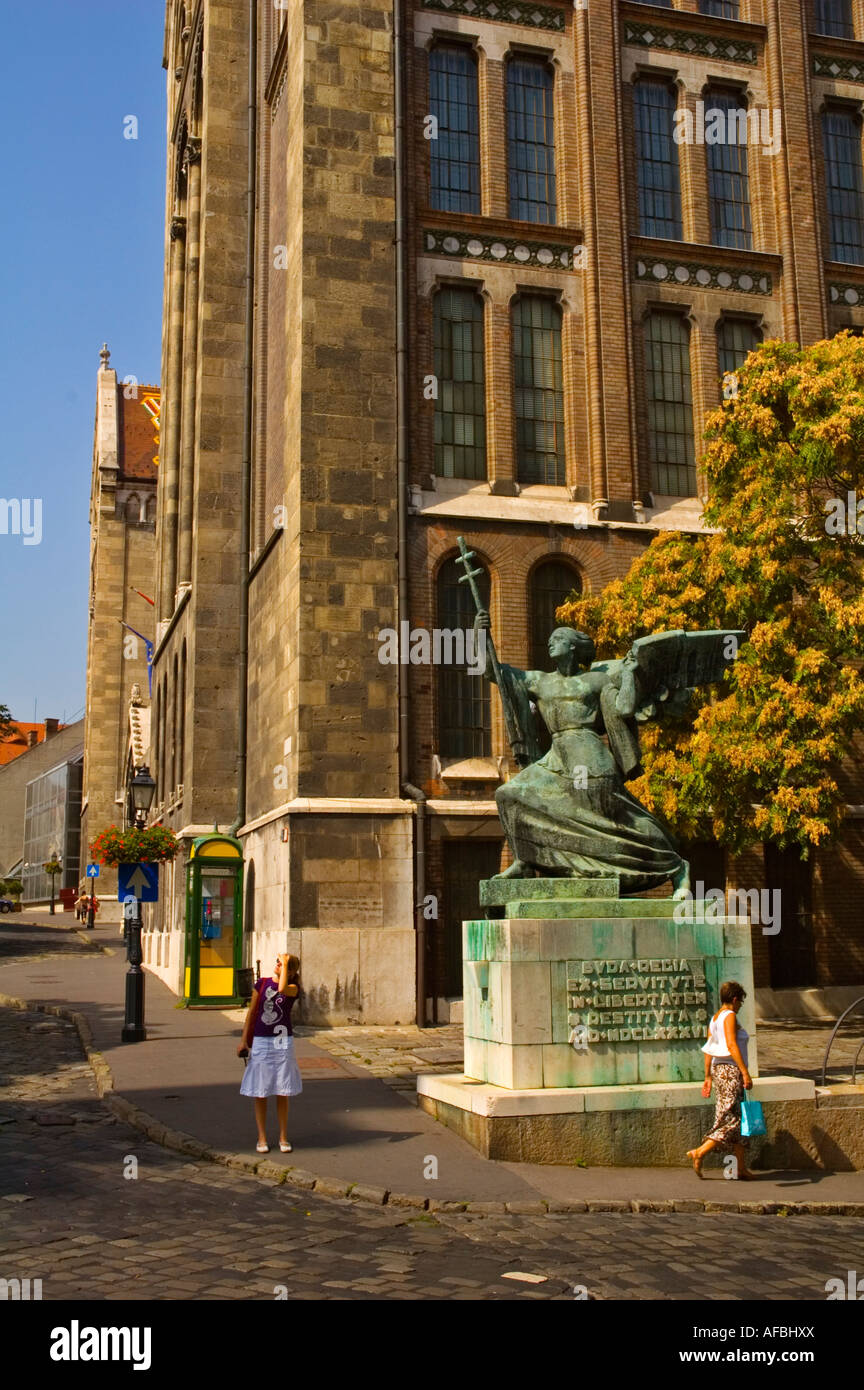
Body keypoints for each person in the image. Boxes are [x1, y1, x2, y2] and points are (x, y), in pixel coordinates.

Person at [687, 980, 755, 1179]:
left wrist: (707, 1076)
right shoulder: (730, 1016)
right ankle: (700, 1152)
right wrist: (745, 1072)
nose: (741, 1005)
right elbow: (732, 1045)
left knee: (737, 1118)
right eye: (741, 1001)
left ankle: (740, 1168)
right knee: (731, 1120)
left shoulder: (715, 1018)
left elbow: (709, 1048)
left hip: (719, 1071)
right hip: (731, 1071)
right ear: (734, 999)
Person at [237, 953, 302, 1153]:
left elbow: (282, 988)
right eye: (277, 963)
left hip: (282, 1041)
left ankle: (283, 1136)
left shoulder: (292, 988)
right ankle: (262, 1137)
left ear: (290, 971)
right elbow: (251, 1013)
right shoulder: (262, 983)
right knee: (261, 1090)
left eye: (282, 965)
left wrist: (285, 966)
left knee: (282, 1090)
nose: (278, 965)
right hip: (262, 1040)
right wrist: (243, 1041)